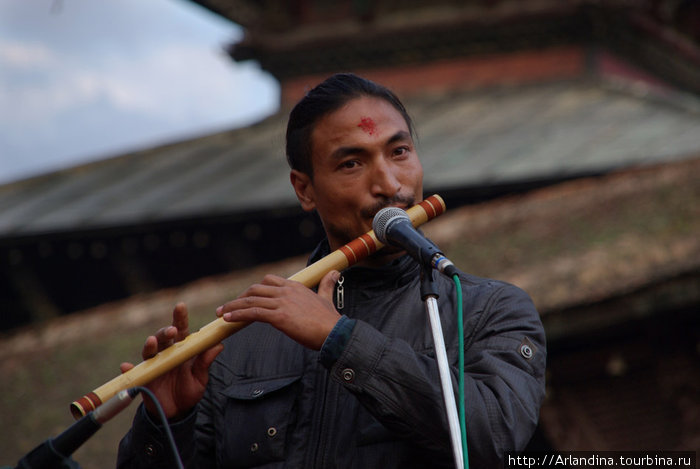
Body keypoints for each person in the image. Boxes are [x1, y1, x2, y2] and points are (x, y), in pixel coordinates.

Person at [117, 73, 546, 468]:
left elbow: (494, 436)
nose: (390, 184)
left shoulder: (490, 309)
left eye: (399, 152)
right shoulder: (239, 342)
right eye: (351, 164)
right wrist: (167, 424)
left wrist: (340, 339)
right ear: (305, 189)